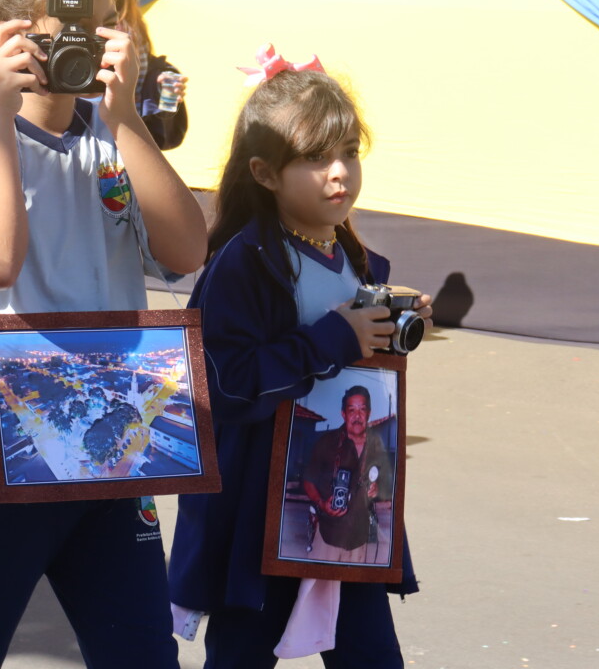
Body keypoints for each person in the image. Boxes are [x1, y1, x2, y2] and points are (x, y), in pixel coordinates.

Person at [0, 0, 207, 669]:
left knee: (143, 655)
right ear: (7, 36)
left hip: (111, 450)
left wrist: (125, 114)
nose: (85, 42)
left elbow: (186, 251)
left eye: (102, 22)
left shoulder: (114, 135)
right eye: (66, 26)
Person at [166, 49, 432, 668]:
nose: (340, 173)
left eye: (349, 153)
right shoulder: (243, 262)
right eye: (316, 158)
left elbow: (345, 364)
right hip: (261, 515)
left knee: (371, 656)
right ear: (264, 173)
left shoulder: (353, 257)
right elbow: (223, 385)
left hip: (350, 508)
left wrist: (386, 327)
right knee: (242, 654)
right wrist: (335, 338)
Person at [83, 0, 188, 150]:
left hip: (128, 130)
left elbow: (141, 67)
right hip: (91, 132)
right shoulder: (80, 17)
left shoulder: (130, 16)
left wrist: (161, 79)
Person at [301, 385, 393, 562]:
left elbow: (386, 484)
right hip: (327, 535)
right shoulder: (326, 442)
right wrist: (321, 503)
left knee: (353, 581)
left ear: (369, 413)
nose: (357, 416)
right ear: (343, 414)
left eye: (362, 410)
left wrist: (377, 489)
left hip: (360, 539)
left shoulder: (377, 445)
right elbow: (308, 481)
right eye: (352, 410)